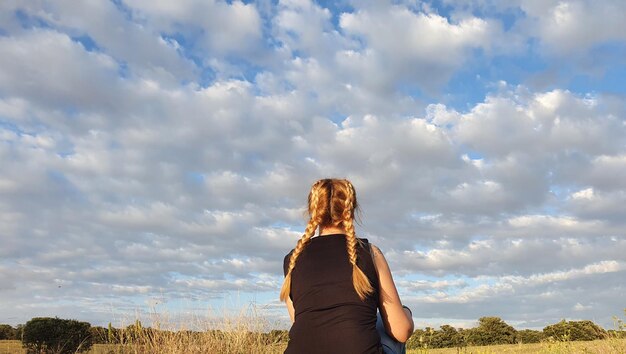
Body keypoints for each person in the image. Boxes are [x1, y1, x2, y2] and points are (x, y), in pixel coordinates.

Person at [280, 178, 414, 354]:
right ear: (351, 210)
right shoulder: (370, 253)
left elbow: (301, 322)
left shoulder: (292, 259)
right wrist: (407, 313)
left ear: (313, 210)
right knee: (386, 321)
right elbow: (401, 332)